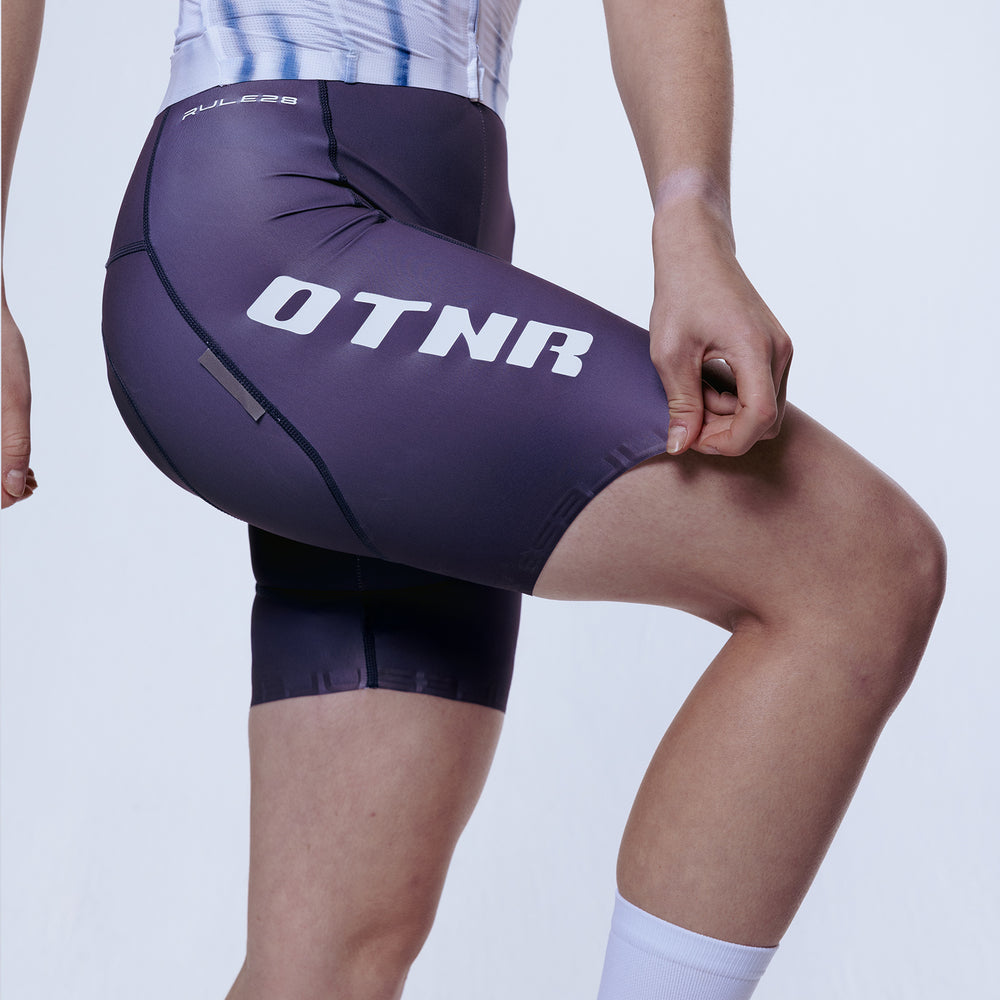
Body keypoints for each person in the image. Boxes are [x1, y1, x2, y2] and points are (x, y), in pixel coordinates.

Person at [2, 1, 946, 998]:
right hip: (261, 235)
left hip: (433, 232)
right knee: (854, 563)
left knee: (331, 964)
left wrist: (690, 215)